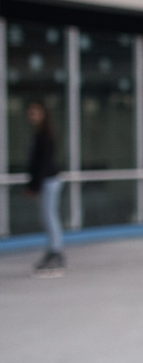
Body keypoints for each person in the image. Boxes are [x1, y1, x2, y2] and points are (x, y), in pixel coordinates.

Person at [25, 101, 65, 277]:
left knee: (49, 216)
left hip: (49, 181)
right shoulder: (39, 134)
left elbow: (43, 164)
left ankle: (55, 253)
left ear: (43, 114)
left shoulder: (45, 135)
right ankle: (52, 250)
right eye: (30, 113)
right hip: (45, 181)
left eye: (35, 113)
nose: (31, 116)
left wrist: (35, 186)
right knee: (47, 216)